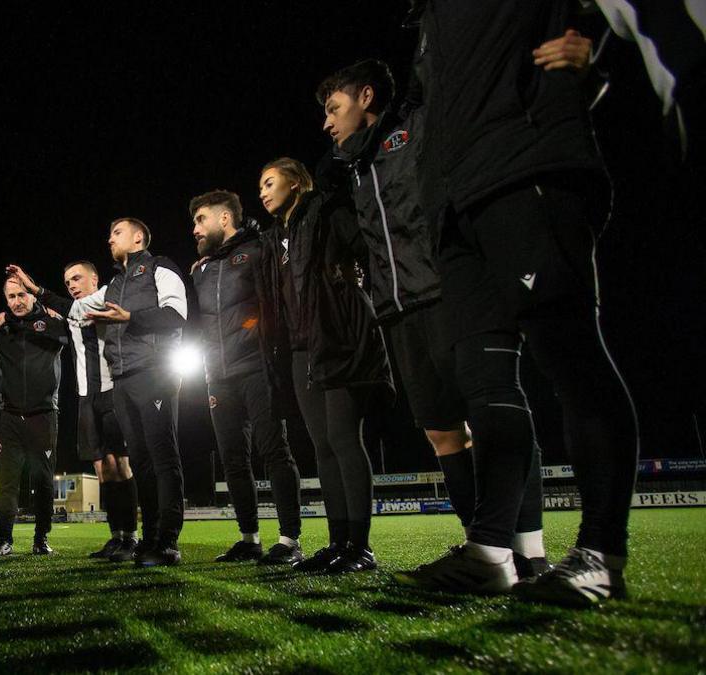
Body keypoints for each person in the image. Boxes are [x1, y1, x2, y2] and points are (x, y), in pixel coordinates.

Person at [396, 1, 638, 606]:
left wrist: (610, 56)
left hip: (524, 170)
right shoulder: (428, 20)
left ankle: (602, 554)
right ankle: (491, 554)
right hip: (457, 209)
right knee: (483, 385)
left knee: (569, 355)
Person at [319, 59, 553, 580]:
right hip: (398, 310)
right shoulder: (352, 168)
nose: (328, 122)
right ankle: (483, 552)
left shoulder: (417, 126)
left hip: (450, 290)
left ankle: (530, 552)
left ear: (367, 96)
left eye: (334, 109)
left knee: (492, 412)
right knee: (442, 433)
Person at [9, 216, 189, 567]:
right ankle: (136, 537)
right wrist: (34, 292)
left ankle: (162, 540)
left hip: (147, 376)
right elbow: (68, 310)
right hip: (114, 385)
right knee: (134, 463)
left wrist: (131, 320)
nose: (110, 239)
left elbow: (175, 314)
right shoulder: (118, 285)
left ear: (138, 237)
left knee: (154, 460)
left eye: (117, 233)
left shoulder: (151, 271)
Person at [254, 157, 393, 575]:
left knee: (344, 436)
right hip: (301, 349)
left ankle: (360, 547)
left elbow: (366, 244)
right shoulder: (277, 236)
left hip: (338, 337)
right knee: (322, 445)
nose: (262, 191)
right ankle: (337, 541)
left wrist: (354, 288)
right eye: (259, 185)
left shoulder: (325, 211)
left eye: (270, 181)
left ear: (296, 183)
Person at [187, 190, 304, 565]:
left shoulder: (258, 249)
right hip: (217, 375)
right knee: (233, 459)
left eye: (200, 219)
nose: (195, 229)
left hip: (257, 366)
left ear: (225, 219)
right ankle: (249, 539)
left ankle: (288, 540)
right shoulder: (201, 270)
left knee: (274, 451)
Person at [46, 261, 138, 559]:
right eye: (67, 281)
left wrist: (39, 292)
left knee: (121, 465)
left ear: (94, 278)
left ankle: (132, 538)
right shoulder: (71, 313)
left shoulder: (105, 297)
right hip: (86, 398)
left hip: (112, 392)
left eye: (76, 278)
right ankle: (116, 536)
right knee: (101, 469)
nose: (71, 284)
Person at [0, 277, 67, 557]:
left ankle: (41, 538)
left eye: (21, 295)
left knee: (43, 480)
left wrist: (50, 310)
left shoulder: (53, 324)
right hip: (9, 416)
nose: (17, 301)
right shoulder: (0, 328)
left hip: (44, 415)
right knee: (6, 482)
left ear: (31, 294)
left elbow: (77, 323)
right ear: (5, 299)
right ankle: (3, 539)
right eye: (11, 297)